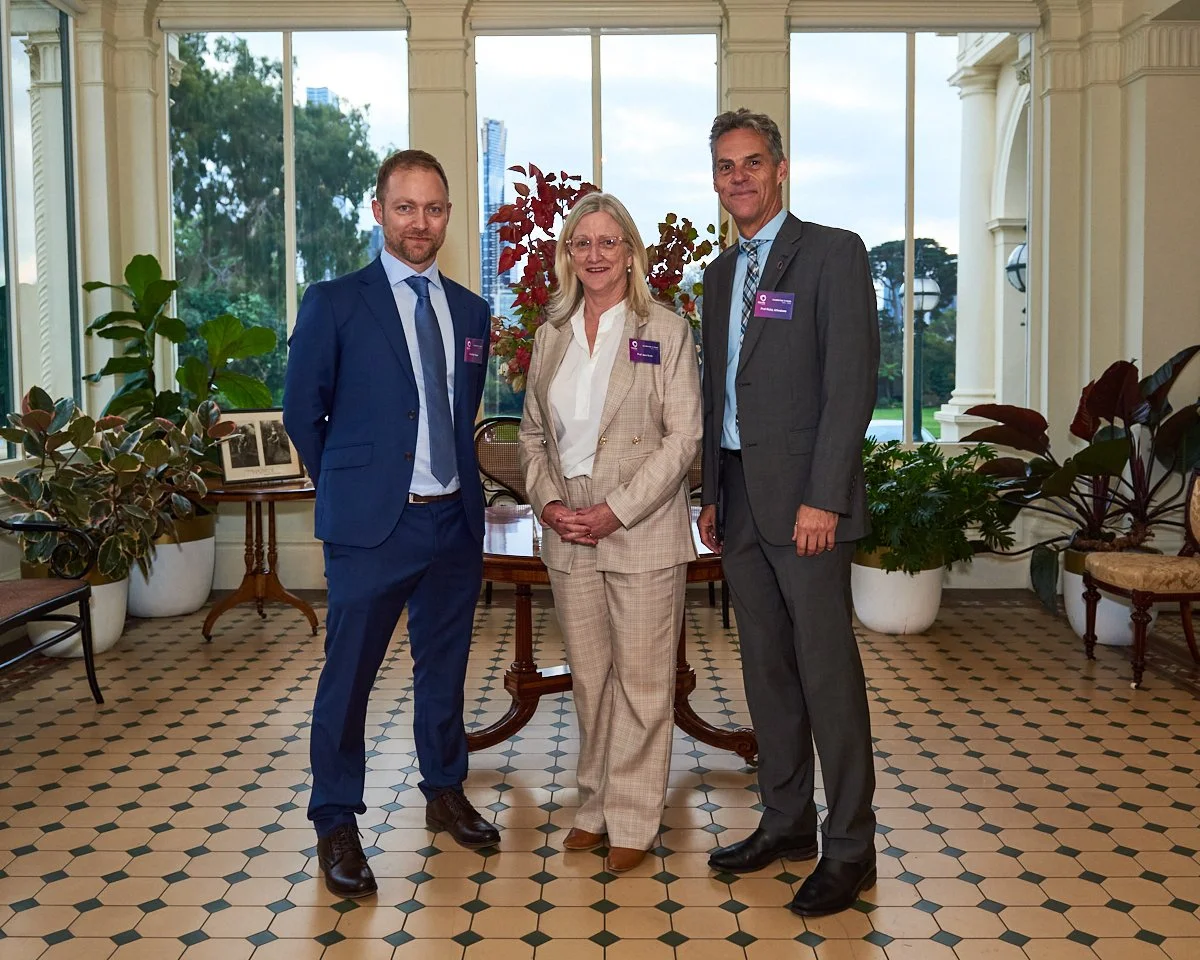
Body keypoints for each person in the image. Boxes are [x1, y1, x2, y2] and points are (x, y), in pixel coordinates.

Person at [283, 149, 498, 900]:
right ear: (378, 211)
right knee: (349, 680)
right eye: (405, 207)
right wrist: (354, 484)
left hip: (452, 526)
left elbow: (459, 409)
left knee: (444, 670)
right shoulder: (335, 301)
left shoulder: (471, 312)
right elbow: (301, 413)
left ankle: (444, 790)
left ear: (448, 215)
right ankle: (335, 818)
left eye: (434, 208)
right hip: (373, 528)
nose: (420, 222)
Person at [696, 109, 881, 917]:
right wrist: (709, 491)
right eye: (726, 166)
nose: (740, 176)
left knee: (827, 674)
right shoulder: (716, 275)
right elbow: (716, 396)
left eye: (753, 162)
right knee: (766, 673)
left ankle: (851, 847)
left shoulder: (833, 254)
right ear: (715, 179)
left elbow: (852, 386)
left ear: (780, 169)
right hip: (738, 503)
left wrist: (825, 496)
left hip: (807, 507)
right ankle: (786, 822)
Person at [519, 192, 701, 874]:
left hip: (640, 525)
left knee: (645, 683)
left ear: (630, 252)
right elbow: (532, 434)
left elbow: (683, 438)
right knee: (592, 679)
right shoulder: (551, 333)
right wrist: (546, 502)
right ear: (568, 255)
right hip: (568, 527)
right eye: (581, 243)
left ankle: (632, 817)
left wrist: (615, 510)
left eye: (608, 242)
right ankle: (592, 806)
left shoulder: (667, 330)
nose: (595, 255)